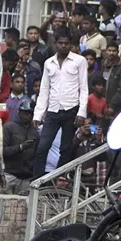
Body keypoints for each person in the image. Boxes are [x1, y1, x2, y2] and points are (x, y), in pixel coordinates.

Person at [32, 27, 88, 179]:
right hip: (53, 110)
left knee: (65, 149)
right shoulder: (48, 63)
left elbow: (84, 88)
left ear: (71, 44)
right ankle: (36, 182)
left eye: (66, 43)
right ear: (55, 43)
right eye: (60, 43)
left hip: (71, 110)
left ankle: (58, 181)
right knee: (43, 147)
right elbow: (44, 90)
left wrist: (82, 112)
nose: (63, 46)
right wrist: (38, 115)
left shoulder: (79, 61)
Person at [2, 99, 38, 195]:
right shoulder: (8, 127)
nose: (29, 115)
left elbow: (37, 155)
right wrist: (21, 147)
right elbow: (2, 151)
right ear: (19, 112)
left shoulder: (35, 132)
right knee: (1, 207)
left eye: (31, 113)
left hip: (26, 178)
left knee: (24, 209)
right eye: (26, 112)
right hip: (9, 174)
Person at [103, 41, 121, 116]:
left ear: (117, 52)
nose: (111, 53)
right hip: (101, 104)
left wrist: (112, 106)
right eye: (109, 50)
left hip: (115, 107)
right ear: (106, 51)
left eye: (114, 51)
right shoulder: (102, 64)